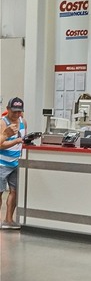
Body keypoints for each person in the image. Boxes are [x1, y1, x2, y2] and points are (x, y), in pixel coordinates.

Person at [0, 97, 27, 230]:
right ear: (8, 109)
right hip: (2, 163)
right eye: (14, 111)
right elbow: (0, 144)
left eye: (19, 112)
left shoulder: (23, 122)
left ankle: (9, 219)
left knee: (14, 192)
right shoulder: (2, 123)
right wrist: (14, 141)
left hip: (16, 163)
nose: (16, 115)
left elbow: (23, 140)